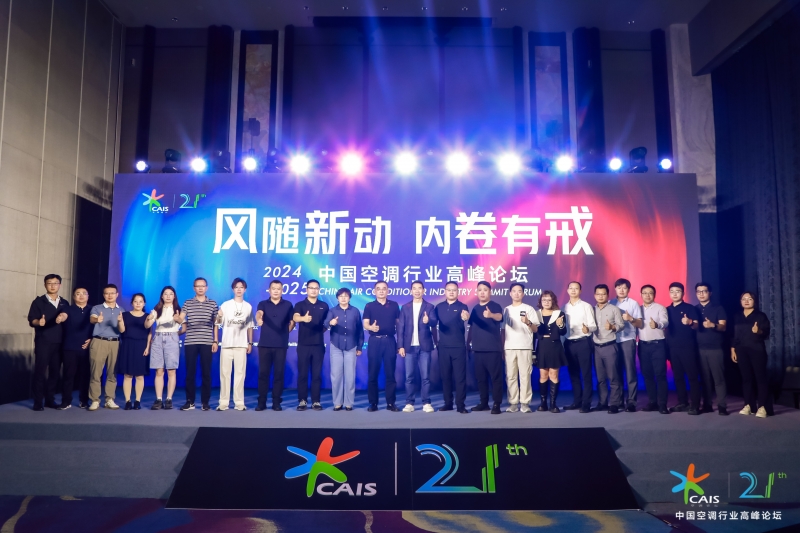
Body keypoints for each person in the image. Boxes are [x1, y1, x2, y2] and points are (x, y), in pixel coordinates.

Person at [27, 274, 69, 410]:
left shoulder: (64, 302)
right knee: (40, 372)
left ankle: (50, 400)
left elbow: (68, 319)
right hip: (43, 342)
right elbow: (31, 319)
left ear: (60, 285)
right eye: (49, 283)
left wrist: (63, 317)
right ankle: (38, 402)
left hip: (60, 342)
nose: (52, 285)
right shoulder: (38, 302)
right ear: (45, 285)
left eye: (55, 283)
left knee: (55, 373)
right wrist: (38, 322)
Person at [397, 281, 437, 413]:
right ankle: (409, 403)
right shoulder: (405, 307)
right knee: (409, 377)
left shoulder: (429, 306)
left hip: (424, 346)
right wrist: (400, 346)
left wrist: (428, 321)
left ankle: (426, 403)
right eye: (414, 288)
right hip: (409, 347)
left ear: (424, 291)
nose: (417, 291)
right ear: (411, 291)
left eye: (420, 288)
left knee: (425, 377)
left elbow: (434, 322)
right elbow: (401, 328)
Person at [255, 280, 295, 411]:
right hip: (265, 345)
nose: (276, 291)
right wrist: (259, 319)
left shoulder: (288, 305)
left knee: (279, 374)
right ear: (269, 290)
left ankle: (276, 402)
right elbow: (259, 313)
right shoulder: (263, 303)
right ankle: (261, 402)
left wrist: (286, 331)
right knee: (263, 374)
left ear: (282, 290)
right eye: (273, 288)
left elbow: (292, 321)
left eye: (278, 289)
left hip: (281, 345)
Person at [181, 277, 219, 412]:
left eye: (203, 286)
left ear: (206, 288)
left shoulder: (212, 303)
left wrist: (215, 341)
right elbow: (181, 318)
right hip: (191, 341)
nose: (200, 288)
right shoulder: (188, 303)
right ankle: (190, 401)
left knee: (206, 373)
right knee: (190, 373)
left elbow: (216, 323)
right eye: (198, 286)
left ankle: (205, 402)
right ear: (194, 288)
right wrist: (177, 318)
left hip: (207, 341)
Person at [216, 278, 254, 411]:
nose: (239, 289)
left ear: (245, 289)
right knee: (225, 374)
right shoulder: (226, 305)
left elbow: (250, 326)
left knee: (240, 375)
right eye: (236, 287)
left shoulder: (248, 306)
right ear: (233, 289)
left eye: (241, 287)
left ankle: (239, 402)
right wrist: (219, 316)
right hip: (226, 344)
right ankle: (223, 402)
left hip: (241, 345)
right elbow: (218, 323)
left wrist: (250, 342)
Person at [732, 291, 772, 418]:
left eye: (749, 298)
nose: (746, 301)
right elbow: (734, 335)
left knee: (760, 378)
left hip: (757, 350)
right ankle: (749, 405)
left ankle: (762, 407)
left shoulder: (760, 316)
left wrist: (758, 331)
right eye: (743, 299)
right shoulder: (737, 316)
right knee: (746, 379)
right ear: (740, 301)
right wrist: (733, 349)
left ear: (754, 301)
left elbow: (766, 333)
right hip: (741, 350)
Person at [363, 280, 401, 412]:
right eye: (378, 289)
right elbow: (365, 323)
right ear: (374, 291)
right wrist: (371, 328)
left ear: (387, 291)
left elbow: (398, 325)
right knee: (372, 373)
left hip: (389, 340)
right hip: (375, 341)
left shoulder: (394, 305)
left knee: (390, 374)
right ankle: (373, 403)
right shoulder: (369, 306)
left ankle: (391, 403)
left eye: (384, 288)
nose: (381, 291)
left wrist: (400, 343)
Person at [433, 281, 471, 413]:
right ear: (445, 291)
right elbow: (433, 324)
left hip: (458, 347)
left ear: (457, 292)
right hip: (443, 347)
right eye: (449, 290)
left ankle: (460, 405)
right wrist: (436, 342)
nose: (451, 292)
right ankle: (448, 403)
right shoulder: (439, 307)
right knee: (445, 377)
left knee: (460, 378)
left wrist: (466, 317)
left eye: (454, 290)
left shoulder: (462, 306)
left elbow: (466, 316)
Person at [502, 283, 540, 413]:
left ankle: (525, 403)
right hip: (509, 347)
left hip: (525, 347)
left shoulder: (529, 309)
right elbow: (503, 330)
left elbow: (535, 329)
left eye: (519, 291)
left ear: (523, 294)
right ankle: (513, 403)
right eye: (514, 291)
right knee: (510, 376)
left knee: (525, 376)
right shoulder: (506, 310)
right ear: (510, 293)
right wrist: (502, 347)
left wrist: (528, 322)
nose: (517, 293)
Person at [324, 288, 364, 411]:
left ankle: (348, 403)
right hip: (336, 346)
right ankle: (337, 402)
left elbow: (360, 330)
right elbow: (325, 323)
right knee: (336, 376)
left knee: (350, 376)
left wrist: (359, 346)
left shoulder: (355, 311)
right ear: (337, 298)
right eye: (341, 296)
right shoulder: (332, 311)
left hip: (351, 346)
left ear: (349, 298)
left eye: (346, 296)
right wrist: (331, 322)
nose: (343, 298)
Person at [468, 281, 505, 414]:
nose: (482, 292)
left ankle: (497, 404)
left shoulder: (495, 306)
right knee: (481, 378)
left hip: (492, 349)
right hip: (478, 349)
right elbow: (472, 327)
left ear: (490, 292)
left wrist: (491, 315)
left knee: (495, 378)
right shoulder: (475, 308)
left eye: (485, 290)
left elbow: (500, 317)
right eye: (480, 290)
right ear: (477, 292)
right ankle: (484, 403)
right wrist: (468, 343)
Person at [293, 279, 329, 411]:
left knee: (316, 375)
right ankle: (302, 401)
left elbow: (326, 323)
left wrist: (320, 330)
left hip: (318, 345)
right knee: (302, 374)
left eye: (316, 288)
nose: (313, 290)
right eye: (311, 288)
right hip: (303, 345)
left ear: (319, 290)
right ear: (306, 289)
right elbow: (295, 317)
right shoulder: (300, 304)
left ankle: (316, 401)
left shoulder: (324, 305)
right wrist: (303, 318)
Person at [666, 282, 701, 415]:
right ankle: (683, 402)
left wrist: (690, 322)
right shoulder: (666, 310)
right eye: (672, 291)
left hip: (688, 347)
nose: (675, 294)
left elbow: (697, 325)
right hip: (672, 348)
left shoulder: (690, 308)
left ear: (683, 293)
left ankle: (695, 405)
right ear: (669, 293)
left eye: (678, 291)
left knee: (692, 376)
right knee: (678, 377)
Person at [88, 284, 124, 411]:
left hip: (115, 342)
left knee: (112, 372)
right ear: (103, 295)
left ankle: (109, 399)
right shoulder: (97, 308)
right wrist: (97, 319)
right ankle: (95, 400)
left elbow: (122, 330)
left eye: (112, 293)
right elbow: (92, 319)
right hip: (99, 341)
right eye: (107, 293)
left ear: (117, 294)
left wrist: (120, 321)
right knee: (96, 372)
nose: (110, 295)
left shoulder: (121, 310)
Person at [148, 286, 185, 410]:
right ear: (162, 296)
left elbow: (184, 327)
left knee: (171, 371)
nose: (168, 296)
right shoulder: (156, 309)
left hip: (172, 338)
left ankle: (169, 399)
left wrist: (174, 334)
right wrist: (148, 320)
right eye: (165, 294)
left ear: (174, 296)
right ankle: (158, 399)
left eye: (171, 294)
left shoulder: (178, 310)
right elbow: (147, 325)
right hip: (158, 338)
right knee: (159, 371)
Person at [563, 281, 597, 412]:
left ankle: (586, 403)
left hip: (583, 342)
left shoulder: (586, 306)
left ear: (580, 291)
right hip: (569, 343)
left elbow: (593, 326)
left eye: (576, 288)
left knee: (586, 374)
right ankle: (577, 401)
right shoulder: (563, 308)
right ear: (567, 290)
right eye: (571, 288)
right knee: (573, 374)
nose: (573, 290)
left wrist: (587, 329)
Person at [695, 282, 728, 415]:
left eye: (704, 291)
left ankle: (722, 406)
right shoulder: (694, 309)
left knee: (718, 379)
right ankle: (707, 405)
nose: (701, 294)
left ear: (710, 293)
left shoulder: (718, 308)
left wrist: (713, 325)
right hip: (699, 349)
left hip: (715, 349)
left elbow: (723, 327)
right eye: (698, 292)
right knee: (705, 379)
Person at [610, 278, 643, 412]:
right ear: (615, 289)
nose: (621, 290)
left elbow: (639, 324)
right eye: (619, 288)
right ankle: (618, 401)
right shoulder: (610, 303)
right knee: (615, 372)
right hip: (613, 341)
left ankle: (631, 402)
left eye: (624, 288)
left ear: (628, 289)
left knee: (630, 372)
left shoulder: (633, 303)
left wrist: (631, 319)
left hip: (628, 340)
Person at [592, 284, 625, 414]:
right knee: (600, 378)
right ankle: (602, 403)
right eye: (598, 294)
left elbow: (621, 325)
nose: (601, 296)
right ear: (595, 295)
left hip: (610, 346)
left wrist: (612, 327)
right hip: (596, 347)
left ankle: (615, 404)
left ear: (607, 295)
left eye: (603, 294)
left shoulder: (614, 309)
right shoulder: (591, 310)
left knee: (613, 377)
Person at [638, 285, 670, 414]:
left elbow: (665, 322)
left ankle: (662, 404)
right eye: (644, 293)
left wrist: (657, 324)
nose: (647, 295)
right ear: (641, 295)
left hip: (658, 345)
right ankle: (652, 402)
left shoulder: (660, 308)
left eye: (650, 293)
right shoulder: (638, 309)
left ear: (654, 295)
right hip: (642, 345)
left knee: (660, 374)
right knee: (647, 375)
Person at [61, 286, 94, 409]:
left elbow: (98, 328)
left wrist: (92, 339)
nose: (81, 296)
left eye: (84, 293)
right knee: (68, 375)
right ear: (73, 296)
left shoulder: (93, 310)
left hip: (87, 347)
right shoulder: (67, 309)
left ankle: (84, 400)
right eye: (78, 293)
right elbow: (63, 315)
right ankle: (66, 401)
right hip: (70, 347)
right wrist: (61, 317)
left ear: (88, 296)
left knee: (85, 375)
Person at [117, 293, 151, 410]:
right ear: (132, 303)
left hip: (141, 345)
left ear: (144, 303)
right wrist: (120, 321)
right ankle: (127, 401)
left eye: (140, 301)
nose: (138, 304)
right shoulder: (125, 315)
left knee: (140, 375)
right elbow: (122, 330)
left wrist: (147, 347)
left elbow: (149, 333)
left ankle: (137, 401)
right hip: (128, 344)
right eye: (135, 301)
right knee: (128, 375)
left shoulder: (147, 316)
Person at [535, 290, 567, 413]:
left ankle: (553, 404)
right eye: (544, 300)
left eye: (549, 300)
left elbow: (563, 332)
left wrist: (560, 325)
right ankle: (543, 403)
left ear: (553, 301)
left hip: (555, 346)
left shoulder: (559, 313)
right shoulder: (536, 314)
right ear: (540, 301)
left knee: (553, 374)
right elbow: (533, 334)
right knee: (543, 375)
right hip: (542, 346)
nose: (546, 302)